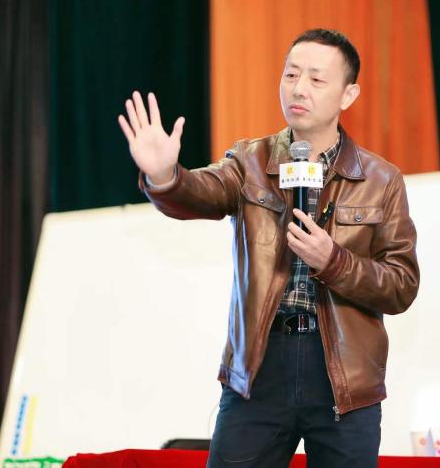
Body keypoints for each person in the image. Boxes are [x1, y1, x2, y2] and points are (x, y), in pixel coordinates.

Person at [118, 29, 419, 468]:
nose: (299, 88)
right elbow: (200, 193)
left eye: (316, 79)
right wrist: (165, 176)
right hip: (260, 366)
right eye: (291, 74)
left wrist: (333, 262)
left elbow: (402, 285)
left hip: (345, 375)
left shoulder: (381, 179)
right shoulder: (250, 162)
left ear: (348, 94)